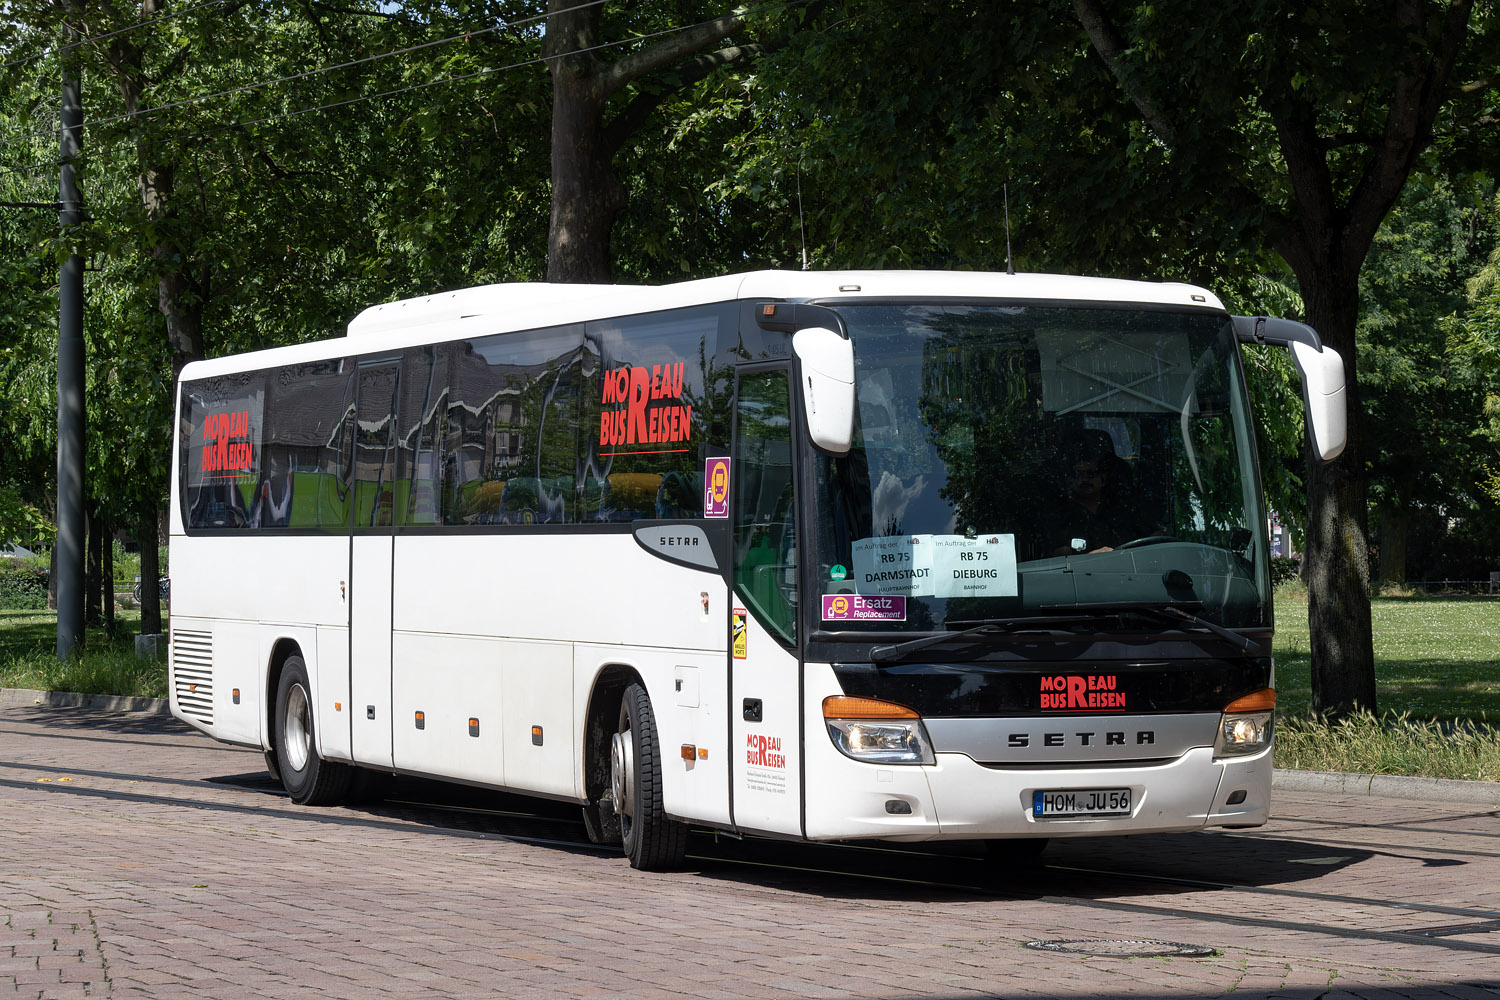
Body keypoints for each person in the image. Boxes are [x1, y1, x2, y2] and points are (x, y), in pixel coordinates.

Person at [1049, 437, 1134, 555]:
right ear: (1070, 480)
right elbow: (1059, 558)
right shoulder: (1061, 517)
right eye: (1078, 474)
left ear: (1103, 479)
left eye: (1090, 474)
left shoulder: (1122, 512)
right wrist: (1090, 558)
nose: (1084, 479)